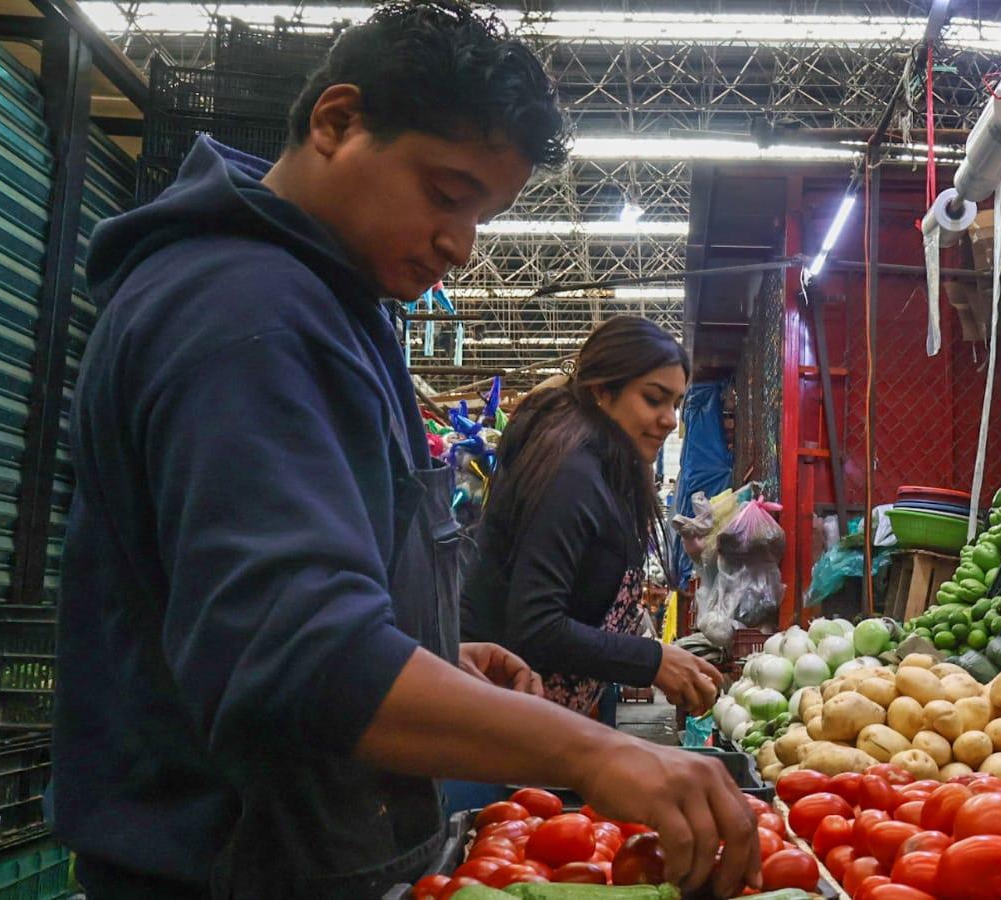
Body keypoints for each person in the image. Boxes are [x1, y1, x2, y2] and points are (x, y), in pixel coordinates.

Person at [51, 3, 758, 898]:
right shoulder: (245, 316)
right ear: (336, 122)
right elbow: (295, 651)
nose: (459, 246)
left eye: (483, 216)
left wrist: (429, 645)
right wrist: (592, 749)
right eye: (447, 193)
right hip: (233, 868)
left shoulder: (328, 306)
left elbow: (254, 598)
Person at [462, 317, 725, 719]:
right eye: (654, 399)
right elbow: (536, 625)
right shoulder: (571, 474)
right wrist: (651, 661)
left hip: (538, 722)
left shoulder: (606, 469)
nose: (671, 419)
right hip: (496, 723)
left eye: (676, 403)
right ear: (602, 391)